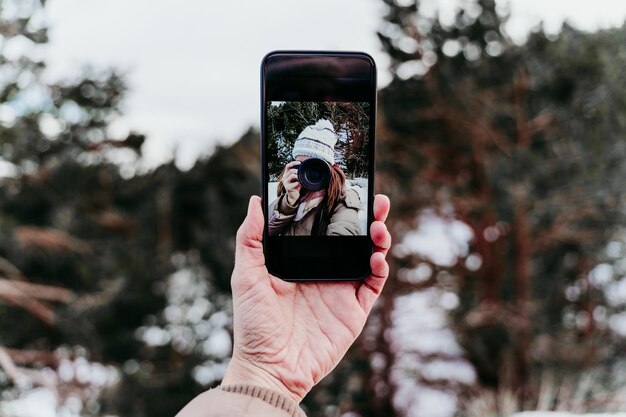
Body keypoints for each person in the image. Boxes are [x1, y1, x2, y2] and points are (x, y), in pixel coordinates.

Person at [176, 193, 391, 417]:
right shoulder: (285, 198)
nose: (312, 173)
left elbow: (345, 227)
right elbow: (275, 225)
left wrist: (263, 375)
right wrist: (264, 370)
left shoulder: (344, 202)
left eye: (318, 166)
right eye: (303, 165)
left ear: (333, 172)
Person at [268, 119, 362, 236]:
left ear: (329, 169)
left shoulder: (341, 199)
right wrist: (288, 203)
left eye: (315, 166)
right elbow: (263, 231)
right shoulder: (291, 191)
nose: (309, 173)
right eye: (303, 165)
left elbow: (346, 228)